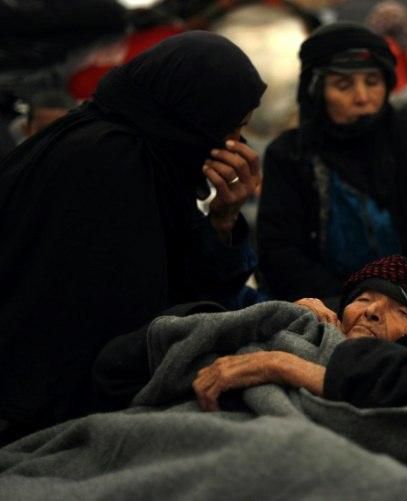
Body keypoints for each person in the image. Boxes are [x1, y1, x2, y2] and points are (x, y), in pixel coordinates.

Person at [0, 31, 267, 443]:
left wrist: (224, 221)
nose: (236, 144)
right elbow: (136, 324)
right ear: (193, 116)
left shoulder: (147, 153)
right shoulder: (109, 161)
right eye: (232, 127)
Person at [256, 22, 407, 325]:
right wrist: (354, 304)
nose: (362, 97)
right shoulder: (290, 155)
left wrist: (406, 298)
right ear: (317, 90)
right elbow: (279, 252)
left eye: (373, 82)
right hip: (329, 307)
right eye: (344, 86)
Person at [195, 255, 407, 410]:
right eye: (363, 299)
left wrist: (279, 366)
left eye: (401, 312)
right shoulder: (312, 330)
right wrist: (286, 316)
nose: (371, 311)